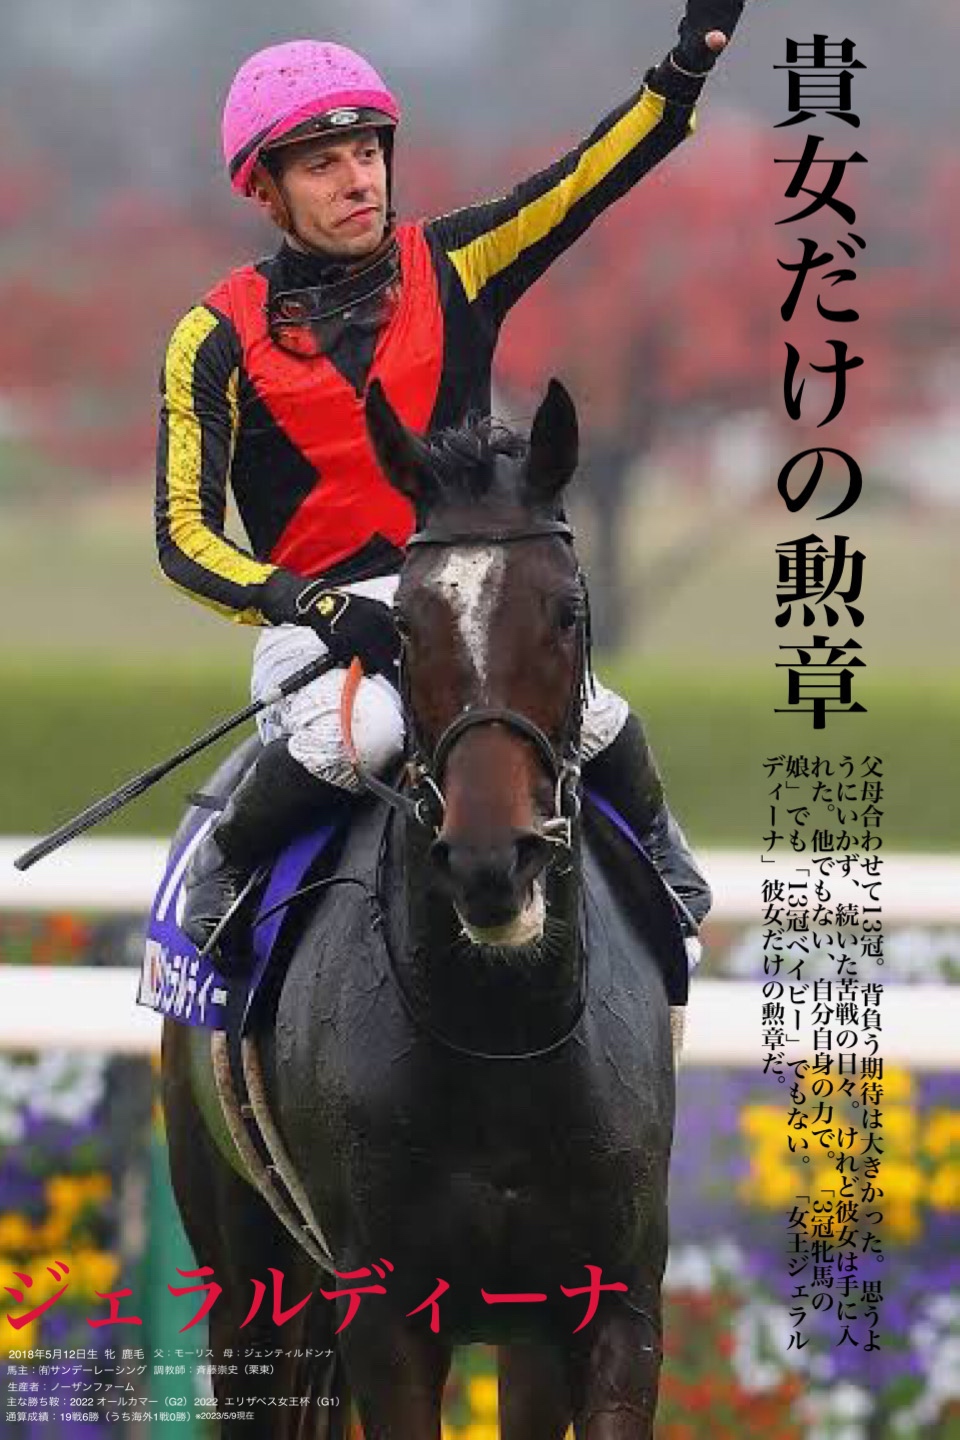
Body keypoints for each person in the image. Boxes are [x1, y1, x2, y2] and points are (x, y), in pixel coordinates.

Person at [156, 0, 745, 976]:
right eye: (322, 164)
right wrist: (311, 603)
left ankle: (661, 863)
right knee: (365, 735)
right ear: (266, 191)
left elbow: (583, 182)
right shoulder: (212, 336)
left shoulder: (457, 260)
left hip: (470, 595)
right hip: (320, 622)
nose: (358, 180)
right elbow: (182, 537)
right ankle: (227, 858)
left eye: (367, 153)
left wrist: (683, 71)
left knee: (598, 719)